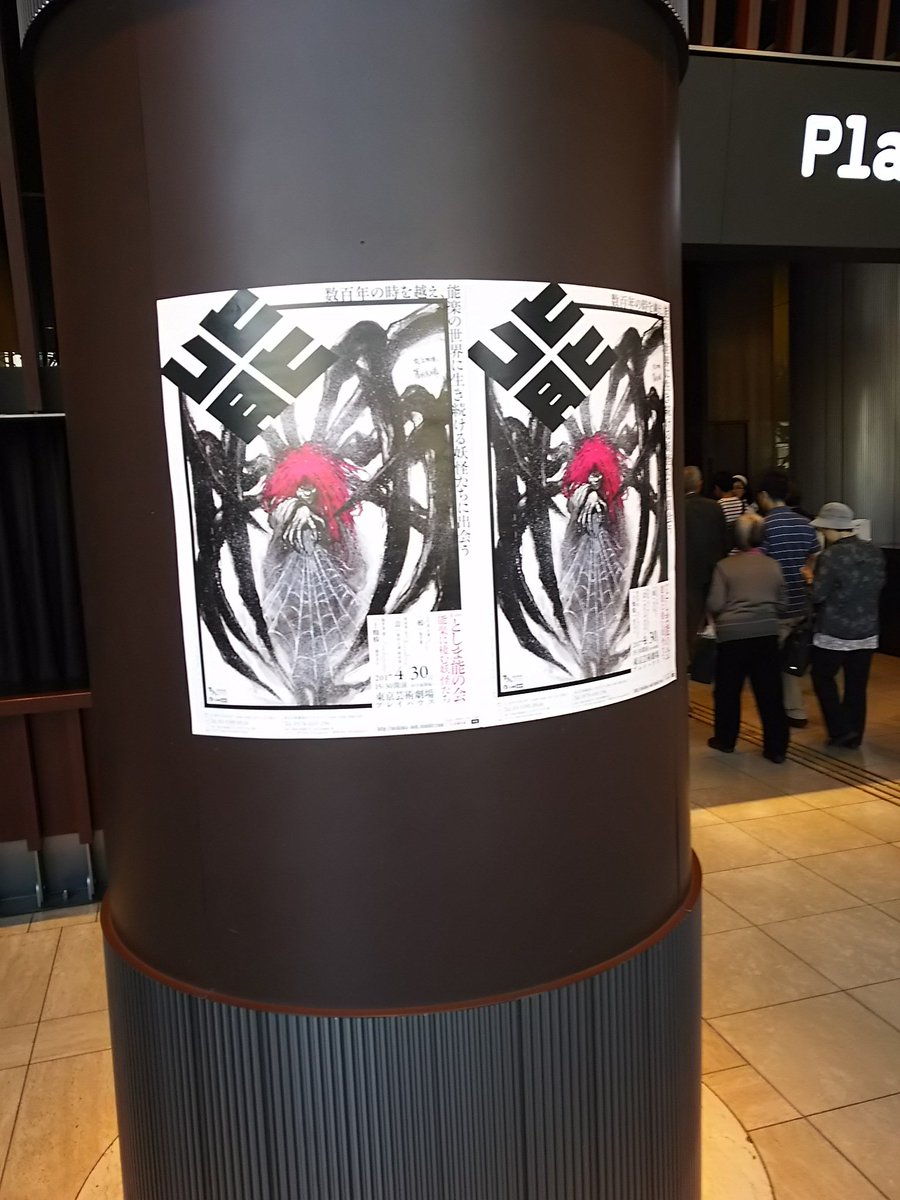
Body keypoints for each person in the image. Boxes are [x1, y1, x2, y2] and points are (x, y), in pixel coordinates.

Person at [706, 514, 788, 762]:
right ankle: (776, 748)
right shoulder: (773, 566)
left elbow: (715, 603)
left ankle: (726, 740)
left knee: (728, 691)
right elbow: (783, 603)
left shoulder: (724, 566)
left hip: (732, 636)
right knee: (770, 693)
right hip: (766, 634)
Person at [804, 502, 886, 749]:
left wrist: (809, 579)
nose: (822, 533)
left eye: (823, 529)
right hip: (867, 629)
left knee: (822, 677)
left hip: (834, 631)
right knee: (856, 684)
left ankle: (840, 728)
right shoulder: (874, 552)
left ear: (831, 528)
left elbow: (818, 595)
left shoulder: (830, 556)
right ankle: (854, 735)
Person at [757, 470, 819, 728]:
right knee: (792, 661)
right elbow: (813, 557)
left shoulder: (765, 526)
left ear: (764, 496)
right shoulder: (805, 524)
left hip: (774, 604)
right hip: (800, 603)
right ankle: (795, 710)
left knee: (770, 663)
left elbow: (759, 563)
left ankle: (779, 713)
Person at [684, 466, 729, 662]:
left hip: (687, 571)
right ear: (700, 484)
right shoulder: (714, 507)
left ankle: (692, 658)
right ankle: (712, 657)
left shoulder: (677, 508)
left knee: (690, 618)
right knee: (714, 614)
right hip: (713, 568)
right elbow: (725, 540)